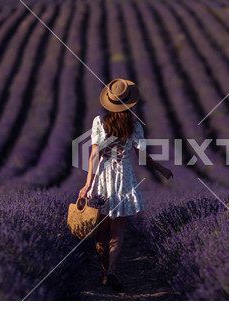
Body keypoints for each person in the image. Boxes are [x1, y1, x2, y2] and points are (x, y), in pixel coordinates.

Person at [78, 78, 173, 292]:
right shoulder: (135, 125)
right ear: (130, 103)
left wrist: (87, 184)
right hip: (124, 177)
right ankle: (111, 271)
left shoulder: (99, 122)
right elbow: (143, 157)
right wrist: (161, 169)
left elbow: (95, 154)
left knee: (101, 232)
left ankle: (104, 273)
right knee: (117, 232)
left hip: (102, 177)